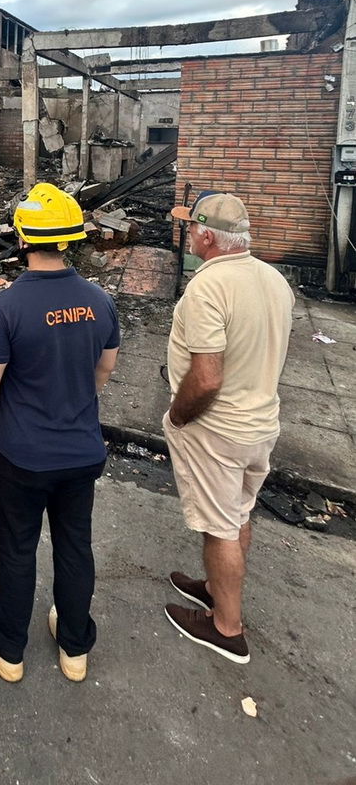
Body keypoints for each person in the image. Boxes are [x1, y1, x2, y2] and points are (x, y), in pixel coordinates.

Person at [0, 184, 119, 684]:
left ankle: (7, 646)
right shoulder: (100, 301)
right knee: (75, 546)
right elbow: (102, 373)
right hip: (80, 452)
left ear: (23, 239)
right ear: (69, 240)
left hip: (21, 457)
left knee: (18, 547)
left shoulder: (7, 307)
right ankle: (74, 646)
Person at [162, 191, 294, 664]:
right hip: (261, 423)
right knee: (237, 514)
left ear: (206, 235)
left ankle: (226, 627)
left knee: (219, 527)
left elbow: (208, 376)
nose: (188, 236)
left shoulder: (208, 287)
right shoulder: (274, 280)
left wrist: (178, 415)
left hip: (218, 430)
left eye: (191, 228)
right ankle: (217, 589)